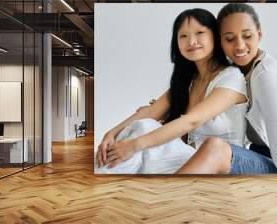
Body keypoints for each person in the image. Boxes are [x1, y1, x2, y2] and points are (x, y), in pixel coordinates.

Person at [95, 8, 248, 174]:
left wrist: (133, 145)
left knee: (144, 131)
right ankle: (107, 177)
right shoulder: (188, 81)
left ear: (215, 36)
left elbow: (192, 121)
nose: (191, 41)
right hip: (186, 157)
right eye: (183, 36)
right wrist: (110, 133)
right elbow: (152, 111)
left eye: (200, 32)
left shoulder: (232, 78)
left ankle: (104, 179)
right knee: (143, 126)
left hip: (219, 163)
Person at [177, 3, 277, 176]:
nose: (240, 46)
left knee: (214, 148)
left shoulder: (265, 76)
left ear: (259, 35)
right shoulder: (235, 71)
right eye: (230, 39)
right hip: (259, 151)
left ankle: (165, 196)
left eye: (247, 36)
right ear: (220, 42)